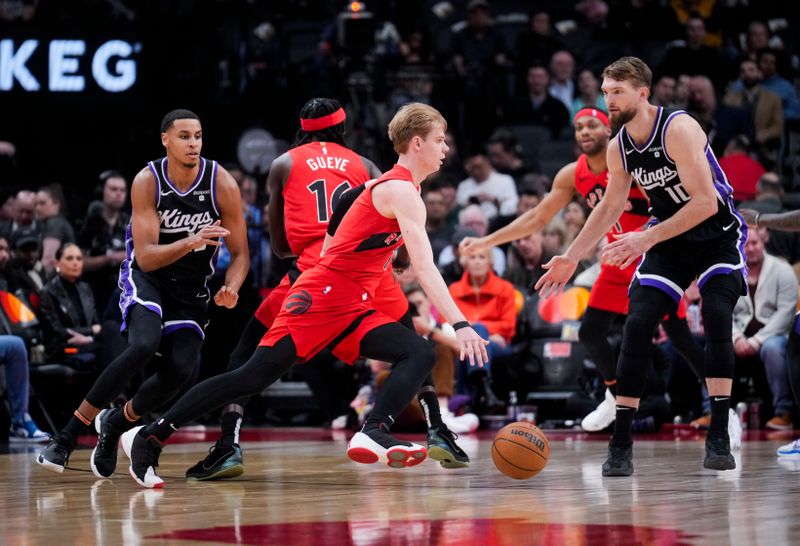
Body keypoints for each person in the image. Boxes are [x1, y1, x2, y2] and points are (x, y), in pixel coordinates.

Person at [119, 103, 488, 488]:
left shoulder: (380, 187)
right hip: (322, 298)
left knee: (419, 350)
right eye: (439, 140)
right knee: (250, 377)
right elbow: (426, 269)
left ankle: (373, 429)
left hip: (349, 303)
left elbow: (340, 218)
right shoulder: (400, 191)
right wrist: (460, 324)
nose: (445, 148)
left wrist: (364, 258)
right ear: (416, 143)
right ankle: (149, 436)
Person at [535, 57, 746, 476]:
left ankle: (720, 431)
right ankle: (620, 446)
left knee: (717, 314)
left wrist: (645, 236)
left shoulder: (679, 129)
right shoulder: (619, 146)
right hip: (669, 241)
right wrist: (571, 256)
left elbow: (705, 203)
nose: (608, 100)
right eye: (606, 91)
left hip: (715, 235)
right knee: (637, 323)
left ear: (643, 93)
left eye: (617, 92)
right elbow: (611, 205)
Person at [36, 109, 249, 477]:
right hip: (148, 278)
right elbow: (147, 258)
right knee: (142, 345)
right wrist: (193, 240)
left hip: (192, 288)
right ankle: (66, 437)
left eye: (197, 136)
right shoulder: (147, 181)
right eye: (184, 136)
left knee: (182, 369)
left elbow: (242, 253)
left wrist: (232, 285)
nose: (193, 143)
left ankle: (116, 423)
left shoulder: (221, 182)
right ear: (165, 139)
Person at [738, 208, 800, 456]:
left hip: (771, 337)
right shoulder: (736, 269)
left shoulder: (781, 269)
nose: (750, 248)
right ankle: (713, 412)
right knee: (797, 343)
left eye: (754, 241)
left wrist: (760, 219)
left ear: (763, 240)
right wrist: (736, 338)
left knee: (784, 345)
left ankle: (783, 412)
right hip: (747, 338)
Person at [38, 243, 100, 363]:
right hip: (63, 346)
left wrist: (89, 338)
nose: (75, 263)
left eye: (79, 258)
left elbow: (98, 325)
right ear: (56, 263)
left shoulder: (85, 288)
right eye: (69, 258)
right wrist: (91, 331)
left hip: (89, 343)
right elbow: (57, 331)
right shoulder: (48, 292)